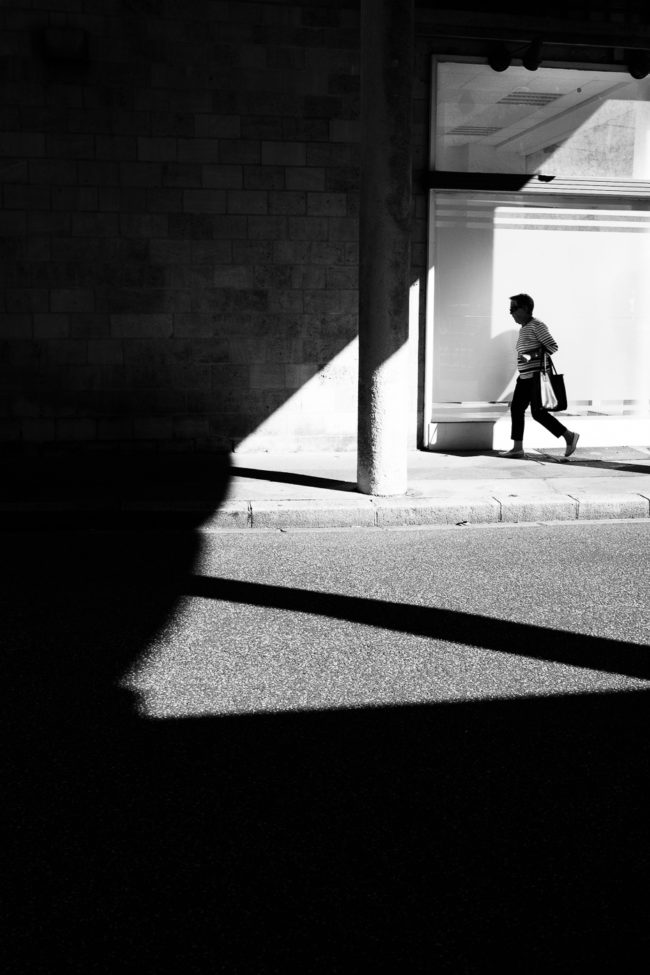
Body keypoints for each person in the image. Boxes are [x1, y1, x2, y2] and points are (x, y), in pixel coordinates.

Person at [499, 293, 579, 458]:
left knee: (538, 413)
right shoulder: (524, 328)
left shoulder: (537, 325)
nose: (511, 312)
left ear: (526, 308)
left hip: (536, 377)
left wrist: (530, 356)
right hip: (525, 377)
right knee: (517, 409)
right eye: (510, 309)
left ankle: (569, 436)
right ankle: (517, 448)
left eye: (514, 308)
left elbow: (553, 346)